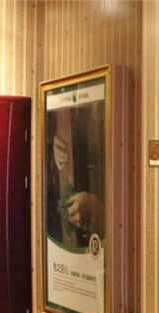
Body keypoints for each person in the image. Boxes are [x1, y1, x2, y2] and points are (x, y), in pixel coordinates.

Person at [46, 98, 104, 249]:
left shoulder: (110, 115)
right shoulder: (75, 116)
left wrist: (96, 208)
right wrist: (53, 151)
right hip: (74, 240)